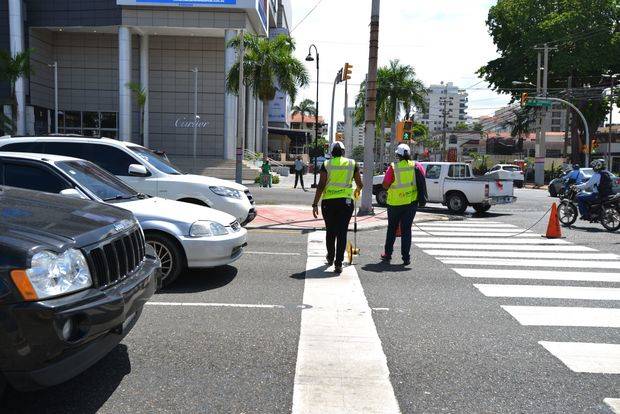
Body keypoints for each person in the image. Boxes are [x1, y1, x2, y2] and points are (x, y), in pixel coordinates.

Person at [312, 141, 363, 274]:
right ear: (343, 152)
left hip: (328, 202)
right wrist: (356, 190)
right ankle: (338, 263)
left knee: (330, 231)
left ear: (332, 153)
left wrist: (315, 204)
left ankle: (330, 257)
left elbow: (321, 185)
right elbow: (360, 183)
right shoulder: (352, 164)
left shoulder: (327, 164)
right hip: (346, 202)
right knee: (342, 232)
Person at [381, 144, 427, 266]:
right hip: (411, 204)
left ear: (398, 155)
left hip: (394, 204)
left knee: (392, 229)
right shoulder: (417, 166)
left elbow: (385, 185)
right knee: (406, 230)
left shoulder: (393, 167)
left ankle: (388, 254)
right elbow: (422, 179)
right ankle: (406, 258)